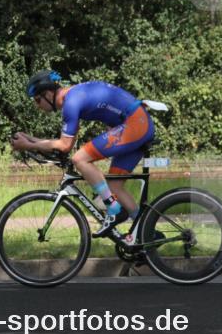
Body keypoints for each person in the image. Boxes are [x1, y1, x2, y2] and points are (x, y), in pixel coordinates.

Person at [11, 70, 154, 236]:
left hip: (135, 124)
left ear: (48, 94)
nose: (37, 106)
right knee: (114, 186)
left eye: (37, 100)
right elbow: (66, 143)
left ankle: (114, 209)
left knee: (80, 159)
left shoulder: (71, 103)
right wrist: (29, 140)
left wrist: (28, 145)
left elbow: (64, 146)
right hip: (137, 124)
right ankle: (145, 233)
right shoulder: (74, 97)